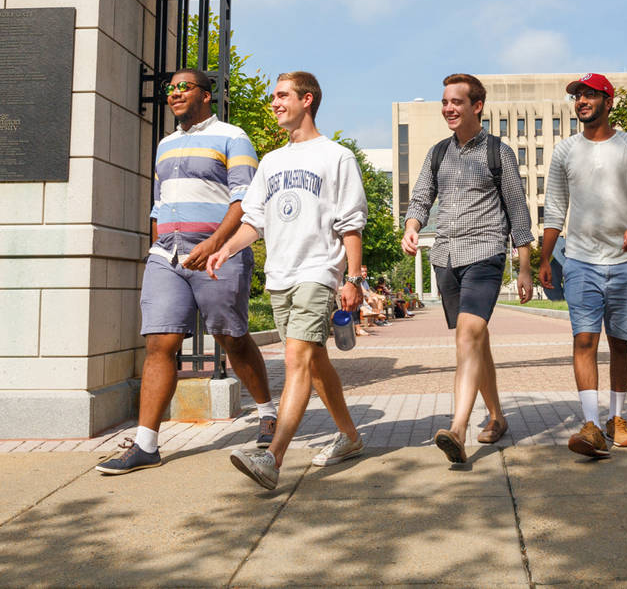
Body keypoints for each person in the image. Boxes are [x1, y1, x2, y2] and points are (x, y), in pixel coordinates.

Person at [96, 69, 275, 475]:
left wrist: (215, 245)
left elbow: (244, 200)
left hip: (219, 254)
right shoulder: (165, 144)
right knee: (160, 342)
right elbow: (160, 202)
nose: (174, 93)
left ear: (206, 96)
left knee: (230, 337)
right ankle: (146, 443)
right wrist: (161, 240)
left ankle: (267, 412)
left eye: (184, 87)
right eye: (170, 89)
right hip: (167, 256)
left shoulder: (233, 137)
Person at [206, 71, 367, 490]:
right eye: (273, 96)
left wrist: (353, 278)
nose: (274, 103)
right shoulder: (272, 161)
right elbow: (254, 220)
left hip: (318, 271)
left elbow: (351, 224)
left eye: (282, 95)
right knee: (314, 364)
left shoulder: (336, 156)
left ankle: (271, 458)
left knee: (296, 357)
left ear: (307, 99)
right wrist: (227, 248)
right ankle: (349, 437)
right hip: (280, 275)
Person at [403, 73, 534, 464]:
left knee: (467, 334)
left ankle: (458, 428)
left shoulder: (499, 152)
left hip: (485, 253)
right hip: (445, 257)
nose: (448, 108)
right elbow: (421, 197)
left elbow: (518, 211)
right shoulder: (438, 153)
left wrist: (524, 267)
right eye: (445, 102)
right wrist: (412, 228)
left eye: (456, 102)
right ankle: (496, 417)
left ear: (477, 106)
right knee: (477, 341)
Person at [539, 73, 627, 457]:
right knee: (585, 340)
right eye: (578, 97)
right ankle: (590, 424)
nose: (581, 102)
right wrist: (544, 258)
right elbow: (555, 208)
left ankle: (616, 418)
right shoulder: (564, 151)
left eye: (590, 95)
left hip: (625, 262)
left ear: (609, 101)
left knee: (621, 342)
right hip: (580, 261)